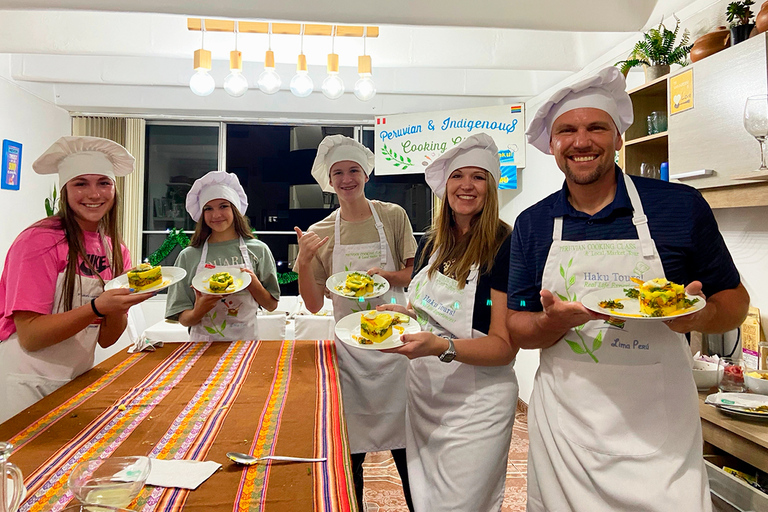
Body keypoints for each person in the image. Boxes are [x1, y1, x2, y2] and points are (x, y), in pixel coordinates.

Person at [507, 66, 750, 511]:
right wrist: (549, 323)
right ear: (553, 145)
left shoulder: (679, 206)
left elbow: (734, 301)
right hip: (566, 435)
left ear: (618, 136)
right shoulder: (533, 224)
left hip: (661, 438)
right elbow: (519, 329)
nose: (582, 141)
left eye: (596, 127)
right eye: (567, 130)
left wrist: (702, 317)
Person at [378, 133, 518, 512]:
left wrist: (440, 346)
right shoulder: (431, 242)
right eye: (458, 176)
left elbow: (504, 349)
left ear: (491, 186)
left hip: (476, 403)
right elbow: (429, 314)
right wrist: (402, 316)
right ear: (445, 186)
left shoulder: (506, 245)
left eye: (479, 176)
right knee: (426, 502)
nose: (467, 186)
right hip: (425, 395)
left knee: (462, 504)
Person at [294, 135, 417, 511]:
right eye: (338, 173)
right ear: (329, 182)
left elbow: (411, 274)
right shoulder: (320, 230)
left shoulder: (392, 215)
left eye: (353, 170)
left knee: (408, 449)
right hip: (349, 353)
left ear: (366, 174)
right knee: (351, 451)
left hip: (397, 345)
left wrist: (387, 276)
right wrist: (303, 261)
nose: (346, 179)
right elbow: (315, 304)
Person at [0, 136, 152, 423]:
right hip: (26, 381)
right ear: (65, 191)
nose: (94, 194)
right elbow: (31, 337)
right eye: (80, 183)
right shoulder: (39, 241)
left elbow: (106, 339)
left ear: (114, 190)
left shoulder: (116, 251)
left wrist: (121, 304)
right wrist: (97, 307)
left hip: (75, 377)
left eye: (103, 183)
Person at [165, 171, 279, 340]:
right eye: (208, 209)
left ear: (235, 209)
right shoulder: (188, 256)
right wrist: (200, 310)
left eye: (223, 206)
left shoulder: (258, 250)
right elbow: (184, 319)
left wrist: (254, 285)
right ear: (202, 214)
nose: (216, 215)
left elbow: (271, 305)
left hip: (246, 345)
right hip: (202, 347)